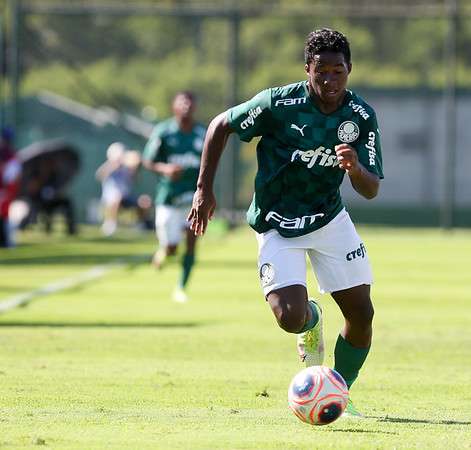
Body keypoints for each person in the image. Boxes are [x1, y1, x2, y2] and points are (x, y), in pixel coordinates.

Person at [188, 28, 383, 418]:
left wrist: (354, 167)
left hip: (329, 220)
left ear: (350, 70)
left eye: (338, 71)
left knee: (362, 314)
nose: (329, 80)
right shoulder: (279, 103)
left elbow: (371, 188)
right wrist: (203, 190)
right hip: (277, 222)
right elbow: (219, 126)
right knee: (289, 318)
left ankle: (337, 392)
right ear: (307, 68)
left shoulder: (360, 116)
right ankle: (311, 319)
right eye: (321, 71)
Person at [142, 91, 205, 303]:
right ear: (174, 106)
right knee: (171, 247)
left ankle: (181, 288)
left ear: (194, 106)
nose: (186, 105)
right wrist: (165, 169)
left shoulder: (201, 133)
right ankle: (164, 251)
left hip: (192, 198)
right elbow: (148, 161)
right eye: (182, 101)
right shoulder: (163, 131)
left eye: (190, 101)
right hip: (168, 198)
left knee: (191, 240)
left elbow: (210, 163)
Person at [96, 142, 152, 236]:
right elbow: (99, 175)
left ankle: (141, 224)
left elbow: (135, 180)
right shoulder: (109, 165)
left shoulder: (127, 167)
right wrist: (114, 165)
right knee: (117, 197)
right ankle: (111, 224)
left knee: (145, 201)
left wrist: (135, 168)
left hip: (126, 197)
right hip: (110, 199)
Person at [0, 127, 21, 247]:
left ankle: (6, 241)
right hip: (6, 188)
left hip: (5, 188)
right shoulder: (10, 154)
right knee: (4, 214)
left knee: (4, 214)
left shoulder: (9, 155)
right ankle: (6, 241)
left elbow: (11, 176)